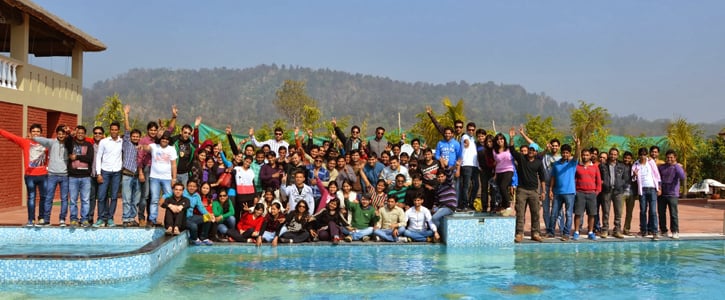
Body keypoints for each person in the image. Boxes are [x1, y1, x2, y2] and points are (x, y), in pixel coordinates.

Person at [0, 124, 48, 226]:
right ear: (30, 133)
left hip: (43, 175)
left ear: (41, 133)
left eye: (38, 131)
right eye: (34, 131)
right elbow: (10, 136)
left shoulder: (46, 144)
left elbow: (59, 142)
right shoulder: (25, 142)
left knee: (44, 197)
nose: (36, 133)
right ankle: (31, 219)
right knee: (31, 197)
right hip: (30, 175)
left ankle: (41, 218)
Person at [509, 127, 545, 243]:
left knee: (535, 213)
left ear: (536, 152)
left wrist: (543, 191)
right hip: (522, 190)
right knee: (520, 213)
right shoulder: (521, 158)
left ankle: (535, 233)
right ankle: (519, 233)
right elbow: (512, 150)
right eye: (529, 150)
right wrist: (511, 138)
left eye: (533, 150)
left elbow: (543, 177)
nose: (531, 151)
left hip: (534, 191)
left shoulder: (538, 163)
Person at [33, 125, 70, 226]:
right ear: (57, 134)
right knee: (49, 198)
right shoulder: (52, 143)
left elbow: (74, 138)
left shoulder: (68, 143)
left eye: (63, 134)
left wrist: (69, 132)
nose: (61, 135)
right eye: (59, 133)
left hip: (65, 175)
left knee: (64, 198)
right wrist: (33, 136)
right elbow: (41, 139)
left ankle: (62, 219)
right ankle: (46, 219)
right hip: (52, 175)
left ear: (65, 134)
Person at [141, 131, 177, 227]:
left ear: (169, 140)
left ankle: (171, 221)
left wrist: (174, 178)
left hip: (167, 178)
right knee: (154, 199)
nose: (164, 140)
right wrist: (142, 146)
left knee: (170, 197)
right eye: (163, 138)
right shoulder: (154, 146)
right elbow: (146, 147)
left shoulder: (172, 149)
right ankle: (152, 219)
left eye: (166, 139)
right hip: (154, 177)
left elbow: (174, 165)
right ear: (160, 139)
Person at [549, 137, 580, 241]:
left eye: (567, 153)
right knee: (554, 213)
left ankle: (566, 234)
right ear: (561, 153)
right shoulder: (556, 164)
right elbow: (553, 177)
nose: (565, 154)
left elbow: (576, 155)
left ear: (570, 153)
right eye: (564, 152)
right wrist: (551, 190)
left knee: (568, 214)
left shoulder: (572, 163)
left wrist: (577, 145)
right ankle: (551, 232)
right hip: (557, 193)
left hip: (569, 193)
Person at [94, 122, 124, 227]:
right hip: (104, 172)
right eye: (112, 129)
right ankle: (101, 218)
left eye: (116, 130)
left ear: (118, 131)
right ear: (109, 130)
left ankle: (110, 218)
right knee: (102, 196)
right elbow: (98, 157)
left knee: (114, 197)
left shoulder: (122, 142)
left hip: (116, 172)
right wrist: (98, 173)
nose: (114, 131)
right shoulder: (104, 142)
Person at [65, 125, 94, 227]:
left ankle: (84, 219)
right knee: (73, 200)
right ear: (76, 134)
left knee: (85, 200)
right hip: (73, 177)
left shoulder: (89, 145)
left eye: (82, 133)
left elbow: (89, 158)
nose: (80, 134)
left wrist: (77, 156)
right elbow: (66, 141)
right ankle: (73, 219)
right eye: (78, 133)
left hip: (86, 177)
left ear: (85, 134)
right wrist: (70, 134)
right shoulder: (71, 144)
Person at [632, 147, 662, 240]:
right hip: (643, 190)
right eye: (641, 154)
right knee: (643, 211)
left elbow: (657, 175)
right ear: (639, 155)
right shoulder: (636, 164)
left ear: (647, 155)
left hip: (652, 188)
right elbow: (633, 178)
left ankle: (655, 232)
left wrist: (659, 187)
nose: (643, 156)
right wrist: (635, 175)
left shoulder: (651, 162)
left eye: (644, 154)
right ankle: (643, 230)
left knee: (653, 211)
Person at [572, 148, 602, 241]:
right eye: (583, 155)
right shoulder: (577, 167)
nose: (585, 157)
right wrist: (576, 191)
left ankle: (590, 232)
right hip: (580, 193)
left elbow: (598, 181)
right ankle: (576, 232)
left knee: (592, 214)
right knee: (578, 213)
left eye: (587, 155)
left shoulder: (595, 167)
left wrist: (596, 192)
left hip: (592, 194)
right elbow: (574, 180)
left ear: (590, 156)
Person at [598, 148, 627, 239]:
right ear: (609, 155)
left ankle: (617, 230)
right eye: (611, 154)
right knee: (606, 212)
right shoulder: (602, 166)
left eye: (615, 154)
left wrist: (620, 184)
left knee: (618, 212)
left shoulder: (622, 166)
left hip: (618, 192)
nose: (613, 156)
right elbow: (599, 176)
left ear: (617, 156)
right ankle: (605, 230)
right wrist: (603, 182)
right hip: (606, 191)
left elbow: (625, 178)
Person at [658, 150, 686, 239]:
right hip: (662, 194)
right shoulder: (662, 167)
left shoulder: (677, 167)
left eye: (671, 157)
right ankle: (663, 230)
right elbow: (658, 178)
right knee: (661, 213)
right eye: (668, 157)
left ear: (675, 158)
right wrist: (659, 188)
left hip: (673, 194)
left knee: (673, 214)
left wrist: (676, 165)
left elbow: (682, 176)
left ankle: (675, 231)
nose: (669, 159)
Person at [492, 132, 514, 214]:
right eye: (497, 139)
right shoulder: (494, 150)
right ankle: (503, 206)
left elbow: (512, 146)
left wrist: (511, 137)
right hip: (499, 171)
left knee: (503, 186)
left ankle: (508, 205)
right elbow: (496, 162)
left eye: (501, 139)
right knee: (499, 189)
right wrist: (495, 174)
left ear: (504, 140)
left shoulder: (508, 149)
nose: (499, 141)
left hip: (508, 170)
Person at [431, 160, 457, 231]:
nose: (440, 178)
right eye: (438, 177)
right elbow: (436, 201)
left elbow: (449, 175)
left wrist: (446, 166)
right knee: (429, 214)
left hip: (449, 207)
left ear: (445, 177)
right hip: (441, 207)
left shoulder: (449, 183)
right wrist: (434, 207)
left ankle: (439, 234)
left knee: (434, 218)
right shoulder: (438, 187)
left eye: (442, 176)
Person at [621, 151, 636, 235]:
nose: (627, 159)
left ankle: (626, 229)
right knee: (619, 212)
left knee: (629, 212)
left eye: (629, 158)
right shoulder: (619, 166)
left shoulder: (634, 167)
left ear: (631, 159)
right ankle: (617, 229)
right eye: (625, 158)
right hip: (621, 192)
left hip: (631, 193)